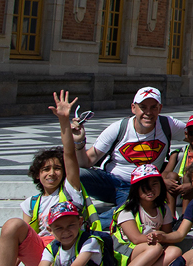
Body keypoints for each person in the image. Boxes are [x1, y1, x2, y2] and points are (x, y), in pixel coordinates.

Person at [0, 91, 96, 266]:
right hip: (42, 253)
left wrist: (64, 121)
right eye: (46, 169)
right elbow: (22, 240)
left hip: (68, 247)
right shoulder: (31, 202)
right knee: (13, 226)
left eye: (57, 168)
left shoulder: (71, 190)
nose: (52, 173)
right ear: (37, 175)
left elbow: (69, 154)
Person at [78, 87, 187, 215]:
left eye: (153, 107)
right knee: (74, 173)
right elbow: (87, 161)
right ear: (133, 108)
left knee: (137, 208)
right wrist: (78, 143)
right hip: (111, 183)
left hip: (143, 188)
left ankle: (94, 222)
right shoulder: (118, 128)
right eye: (143, 107)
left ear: (160, 108)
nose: (148, 112)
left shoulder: (168, 125)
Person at [110, 165, 182, 266]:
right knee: (156, 247)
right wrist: (156, 238)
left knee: (175, 251)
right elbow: (135, 239)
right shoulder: (127, 210)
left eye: (154, 184)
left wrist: (163, 237)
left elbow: (167, 235)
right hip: (126, 252)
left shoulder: (163, 208)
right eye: (144, 186)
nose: (150, 190)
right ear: (135, 189)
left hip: (150, 251)